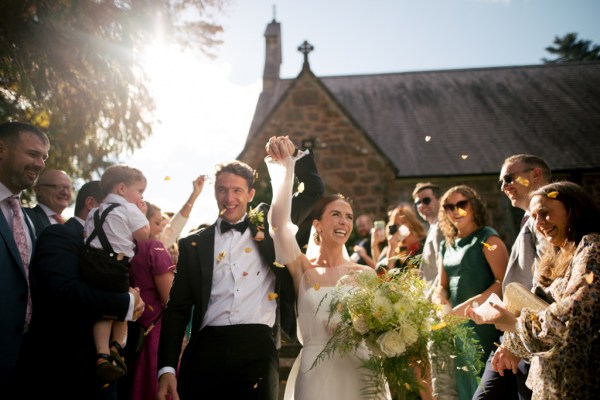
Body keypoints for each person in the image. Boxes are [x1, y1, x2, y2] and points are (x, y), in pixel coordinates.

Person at [156, 135, 324, 400]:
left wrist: (295, 155)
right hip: (205, 351)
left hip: (256, 349)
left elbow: (313, 189)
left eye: (237, 190)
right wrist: (166, 368)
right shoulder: (193, 244)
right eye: (222, 189)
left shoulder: (271, 226)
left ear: (251, 194)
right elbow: (176, 310)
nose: (229, 197)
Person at [266, 136, 391, 400]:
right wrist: (289, 167)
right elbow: (278, 225)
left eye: (349, 217)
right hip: (316, 370)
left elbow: (383, 329)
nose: (344, 222)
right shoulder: (303, 268)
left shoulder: (366, 274)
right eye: (335, 214)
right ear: (317, 225)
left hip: (362, 371)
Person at [478, 181, 600, 399]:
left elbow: (573, 317)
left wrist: (515, 324)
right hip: (550, 384)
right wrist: (511, 343)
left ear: (573, 209)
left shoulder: (592, 248)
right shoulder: (555, 258)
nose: (539, 223)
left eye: (545, 213)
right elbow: (542, 324)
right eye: (534, 217)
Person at [24, 180, 145, 399]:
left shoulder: (120, 244)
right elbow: (64, 291)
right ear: (92, 205)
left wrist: (134, 302)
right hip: (68, 372)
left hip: (107, 376)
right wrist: (126, 302)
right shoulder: (60, 235)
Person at [469, 154, 551, 400]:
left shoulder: (551, 222)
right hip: (513, 336)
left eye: (509, 178)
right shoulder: (528, 221)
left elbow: (543, 287)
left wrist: (516, 342)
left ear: (535, 174)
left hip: (533, 339)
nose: (504, 187)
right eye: (501, 182)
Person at [432, 185, 509, 400]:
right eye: (449, 207)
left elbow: (504, 284)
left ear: (473, 206)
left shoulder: (488, 238)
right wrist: (439, 302)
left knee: (484, 387)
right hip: (455, 324)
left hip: (483, 323)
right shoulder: (445, 245)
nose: (455, 211)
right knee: (461, 383)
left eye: (461, 204)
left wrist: (465, 308)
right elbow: (442, 285)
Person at [81, 164, 150, 381]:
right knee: (124, 306)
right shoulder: (129, 210)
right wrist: (142, 215)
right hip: (115, 266)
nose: (141, 196)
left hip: (91, 264)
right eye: (139, 191)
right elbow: (143, 236)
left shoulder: (94, 211)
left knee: (102, 312)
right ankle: (116, 349)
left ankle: (101, 354)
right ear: (122, 188)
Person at [0, 121, 49, 391]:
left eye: (44, 157)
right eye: (32, 154)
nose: (40, 164)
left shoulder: (28, 219)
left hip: (23, 359)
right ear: (1, 149)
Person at [125, 199, 185, 400]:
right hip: (156, 331)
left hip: (131, 329)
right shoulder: (154, 247)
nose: (162, 227)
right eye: (157, 222)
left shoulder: (123, 247)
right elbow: (171, 298)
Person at [372, 202, 427, 273]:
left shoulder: (425, 242)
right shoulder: (393, 248)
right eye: (397, 225)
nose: (400, 227)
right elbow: (382, 276)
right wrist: (391, 249)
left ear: (412, 222)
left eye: (404, 222)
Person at [159, 174, 205, 249]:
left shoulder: (161, 243)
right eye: (157, 223)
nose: (162, 230)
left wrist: (195, 194)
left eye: (166, 227)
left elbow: (177, 223)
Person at [412, 182, 444, 284]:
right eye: (418, 203)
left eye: (426, 200)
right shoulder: (433, 227)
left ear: (440, 200)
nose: (421, 206)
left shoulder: (442, 227)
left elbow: (444, 268)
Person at [25, 168, 72, 234]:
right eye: (59, 187)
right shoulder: (26, 217)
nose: (65, 193)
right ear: (38, 190)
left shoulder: (68, 225)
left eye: (68, 188)